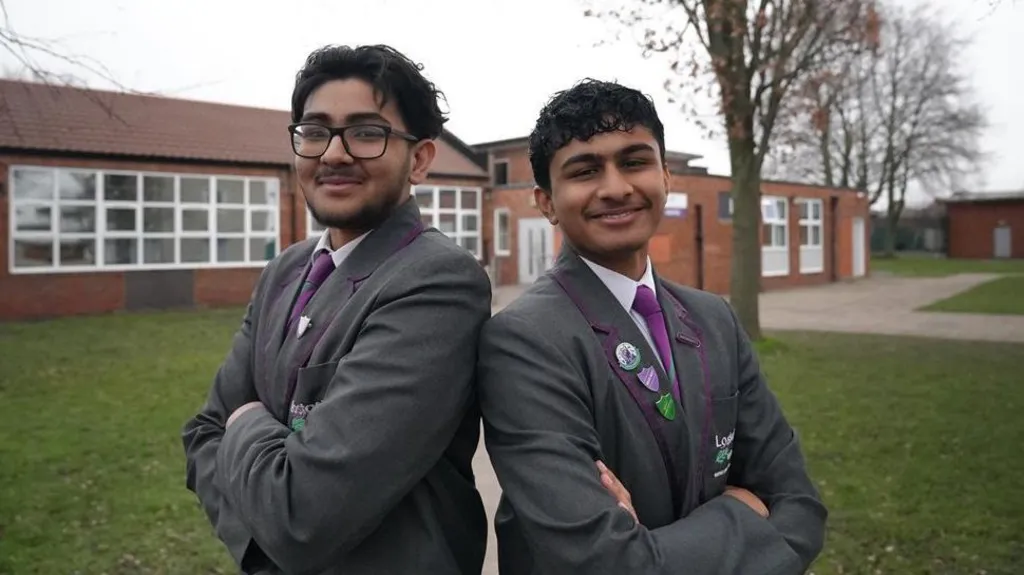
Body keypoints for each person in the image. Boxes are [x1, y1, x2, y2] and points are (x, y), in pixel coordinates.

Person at [476, 79, 827, 574]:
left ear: (666, 175)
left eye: (634, 161)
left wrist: (655, 546)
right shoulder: (523, 341)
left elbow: (800, 506)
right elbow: (604, 561)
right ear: (546, 202)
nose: (616, 187)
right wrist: (740, 512)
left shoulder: (715, 318)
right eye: (585, 170)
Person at [182, 44, 491, 575]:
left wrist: (248, 418)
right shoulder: (285, 271)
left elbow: (304, 515)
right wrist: (266, 544)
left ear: (419, 159)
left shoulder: (438, 280)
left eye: (367, 133)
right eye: (315, 131)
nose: (333, 154)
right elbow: (202, 435)